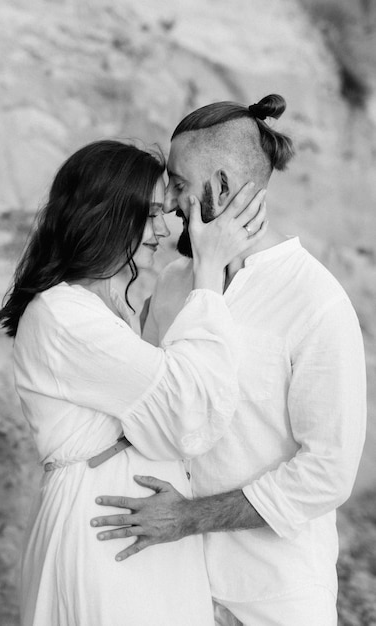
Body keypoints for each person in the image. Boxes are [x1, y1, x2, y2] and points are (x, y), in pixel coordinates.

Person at [90, 97, 367, 626]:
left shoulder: (316, 302)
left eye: (178, 182)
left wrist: (187, 518)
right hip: (169, 586)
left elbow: (328, 471)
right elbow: (152, 406)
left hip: (274, 597)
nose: (168, 201)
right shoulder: (173, 283)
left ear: (220, 185)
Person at [0, 139, 268, 626]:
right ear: (103, 214)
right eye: (149, 214)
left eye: (165, 212)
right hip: (104, 529)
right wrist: (207, 270)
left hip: (141, 531)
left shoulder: (115, 310)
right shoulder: (63, 315)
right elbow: (188, 410)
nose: (165, 229)